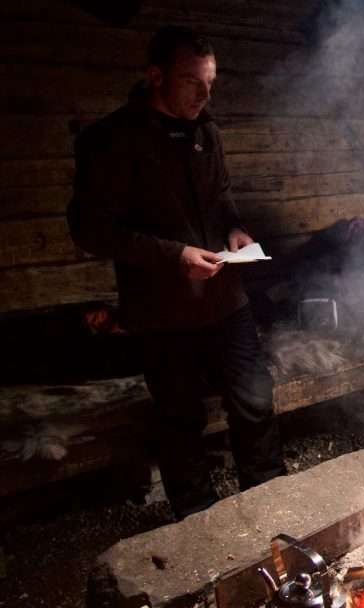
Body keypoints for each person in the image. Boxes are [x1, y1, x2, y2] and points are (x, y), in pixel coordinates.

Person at [68, 26, 286, 519]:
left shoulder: (207, 132)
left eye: (211, 83)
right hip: (161, 313)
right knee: (180, 419)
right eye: (192, 82)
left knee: (255, 402)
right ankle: (198, 522)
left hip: (227, 302)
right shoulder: (110, 140)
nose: (204, 95)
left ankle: (274, 506)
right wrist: (174, 255)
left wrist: (235, 231)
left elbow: (222, 201)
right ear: (155, 76)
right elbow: (91, 231)